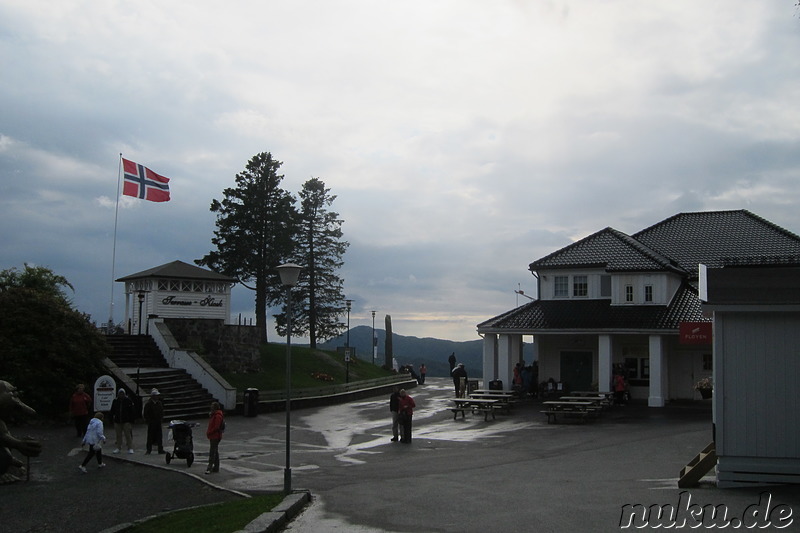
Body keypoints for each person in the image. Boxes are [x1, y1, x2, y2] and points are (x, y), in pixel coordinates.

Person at [110, 388, 136, 454]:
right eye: (120, 393)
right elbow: (112, 410)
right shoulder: (115, 401)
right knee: (118, 435)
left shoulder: (128, 401)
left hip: (126, 421)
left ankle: (130, 448)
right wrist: (112, 419)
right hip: (117, 420)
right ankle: (118, 447)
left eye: (122, 393)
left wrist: (131, 420)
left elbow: (132, 411)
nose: (121, 394)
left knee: (128, 435)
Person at [143, 388, 165, 454]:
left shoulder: (159, 403)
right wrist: (149, 421)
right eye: (156, 396)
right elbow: (146, 413)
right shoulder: (148, 404)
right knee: (150, 436)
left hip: (158, 422)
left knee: (159, 436)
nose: (157, 397)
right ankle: (149, 450)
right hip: (152, 422)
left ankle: (160, 449)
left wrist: (161, 418)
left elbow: (161, 411)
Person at [205, 401, 224, 474]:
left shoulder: (217, 416)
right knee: (215, 451)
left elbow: (216, 427)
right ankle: (216, 467)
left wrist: (209, 432)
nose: (211, 407)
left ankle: (209, 468)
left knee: (212, 452)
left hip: (215, 436)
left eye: (212, 406)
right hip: (214, 435)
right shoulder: (215, 415)